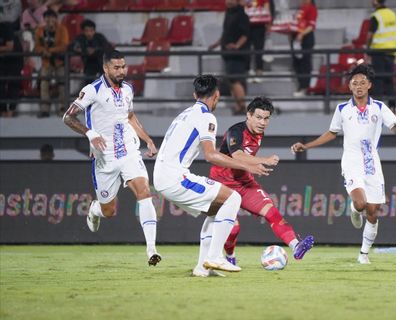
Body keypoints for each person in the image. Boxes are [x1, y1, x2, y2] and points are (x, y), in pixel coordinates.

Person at [153, 75, 271, 277]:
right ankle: (215, 256)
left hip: (163, 175)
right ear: (217, 95)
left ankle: (202, 267)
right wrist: (246, 165)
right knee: (233, 198)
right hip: (174, 177)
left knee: (216, 209)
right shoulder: (207, 117)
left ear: (194, 95)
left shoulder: (185, 113)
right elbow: (211, 155)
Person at [291, 64, 396, 264]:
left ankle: (363, 254)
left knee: (373, 211)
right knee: (361, 203)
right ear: (350, 86)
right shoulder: (342, 109)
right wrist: (307, 146)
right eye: (355, 83)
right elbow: (331, 132)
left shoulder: (379, 107)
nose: (359, 86)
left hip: (372, 162)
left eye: (363, 82)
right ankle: (355, 208)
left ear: (369, 85)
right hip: (351, 161)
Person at [62, 50, 161, 266]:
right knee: (109, 210)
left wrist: (148, 140)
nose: (121, 71)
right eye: (116, 67)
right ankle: (96, 209)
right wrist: (90, 134)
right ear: (106, 68)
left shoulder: (128, 89)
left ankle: (151, 249)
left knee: (144, 191)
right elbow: (67, 117)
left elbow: (130, 116)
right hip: (104, 157)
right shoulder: (92, 90)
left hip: (128, 150)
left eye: (123, 66)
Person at [209, 96, 314, 266]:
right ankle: (229, 256)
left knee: (272, 213)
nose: (262, 122)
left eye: (266, 118)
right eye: (258, 117)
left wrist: (254, 165)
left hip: (244, 183)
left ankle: (296, 246)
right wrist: (262, 160)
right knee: (233, 228)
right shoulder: (235, 131)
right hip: (222, 185)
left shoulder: (258, 132)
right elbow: (238, 155)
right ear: (248, 115)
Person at [208, 0, 250, 115]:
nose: (228, 1)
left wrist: (237, 46)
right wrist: (217, 43)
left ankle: (242, 106)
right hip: (227, 53)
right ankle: (238, 106)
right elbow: (226, 33)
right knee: (231, 81)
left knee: (235, 80)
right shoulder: (228, 14)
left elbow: (245, 34)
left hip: (238, 54)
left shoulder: (242, 15)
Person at [35, 9, 69, 118]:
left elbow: (64, 45)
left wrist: (50, 51)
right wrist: (43, 51)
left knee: (62, 84)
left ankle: (62, 109)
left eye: (52, 17)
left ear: (56, 18)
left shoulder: (62, 29)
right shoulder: (40, 30)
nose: (49, 19)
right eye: (47, 17)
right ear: (44, 19)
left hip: (59, 61)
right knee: (44, 84)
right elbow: (37, 46)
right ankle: (45, 110)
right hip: (46, 62)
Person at [366, 0, 396, 111]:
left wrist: (367, 49)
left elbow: (370, 35)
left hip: (378, 51)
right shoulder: (392, 14)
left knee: (378, 79)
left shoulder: (376, 16)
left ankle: (377, 107)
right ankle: (392, 106)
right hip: (391, 51)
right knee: (389, 79)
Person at [69, 19, 112, 85]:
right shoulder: (80, 38)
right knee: (89, 84)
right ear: (83, 31)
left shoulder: (99, 37)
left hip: (101, 64)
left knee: (105, 83)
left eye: (91, 31)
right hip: (87, 65)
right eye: (87, 31)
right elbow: (72, 47)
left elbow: (107, 47)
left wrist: (95, 50)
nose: (89, 33)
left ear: (94, 31)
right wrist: (82, 50)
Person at [290, 0, 317, 97]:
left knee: (305, 63)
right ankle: (300, 85)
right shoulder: (300, 9)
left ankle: (305, 87)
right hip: (296, 39)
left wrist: (302, 33)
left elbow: (311, 26)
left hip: (306, 39)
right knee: (297, 63)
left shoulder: (312, 9)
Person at [0, 21, 23, 118]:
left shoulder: (6, 27)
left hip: (14, 58)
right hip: (3, 59)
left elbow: (9, 47)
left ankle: (11, 110)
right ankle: (3, 110)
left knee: (13, 83)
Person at [244, 0, 271, 83]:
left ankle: (259, 71)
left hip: (259, 26)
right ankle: (247, 70)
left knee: (259, 49)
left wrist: (268, 22)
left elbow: (267, 8)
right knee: (246, 48)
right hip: (246, 25)